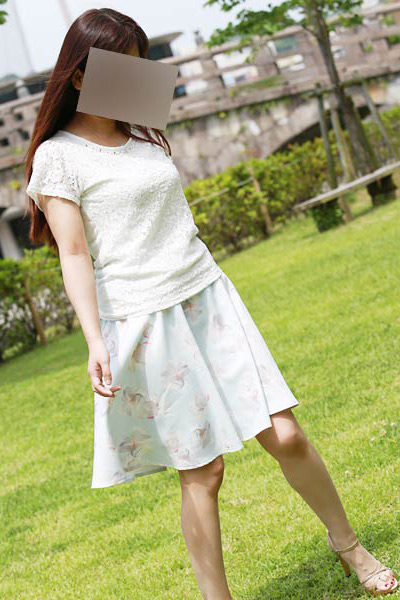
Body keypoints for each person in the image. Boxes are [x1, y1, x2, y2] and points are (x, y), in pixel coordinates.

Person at [25, 8, 398, 600]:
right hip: (145, 318)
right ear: (79, 76)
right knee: (203, 471)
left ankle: (349, 546)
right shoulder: (58, 156)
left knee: (285, 434)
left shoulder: (142, 130)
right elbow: (73, 254)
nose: (138, 76)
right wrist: (95, 339)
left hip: (207, 295)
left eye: (141, 63)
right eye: (124, 65)